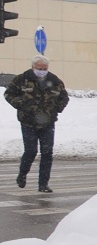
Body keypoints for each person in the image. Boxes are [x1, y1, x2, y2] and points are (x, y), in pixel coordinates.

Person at [5, 55, 70, 193]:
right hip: (28, 122)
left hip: (48, 122)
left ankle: (43, 184)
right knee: (31, 151)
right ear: (33, 67)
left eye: (45, 68)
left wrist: (57, 108)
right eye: (39, 68)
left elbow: (64, 96)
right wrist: (22, 105)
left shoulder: (54, 80)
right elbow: (9, 94)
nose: (42, 71)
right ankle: (22, 175)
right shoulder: (22, 79)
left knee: (47, 153)